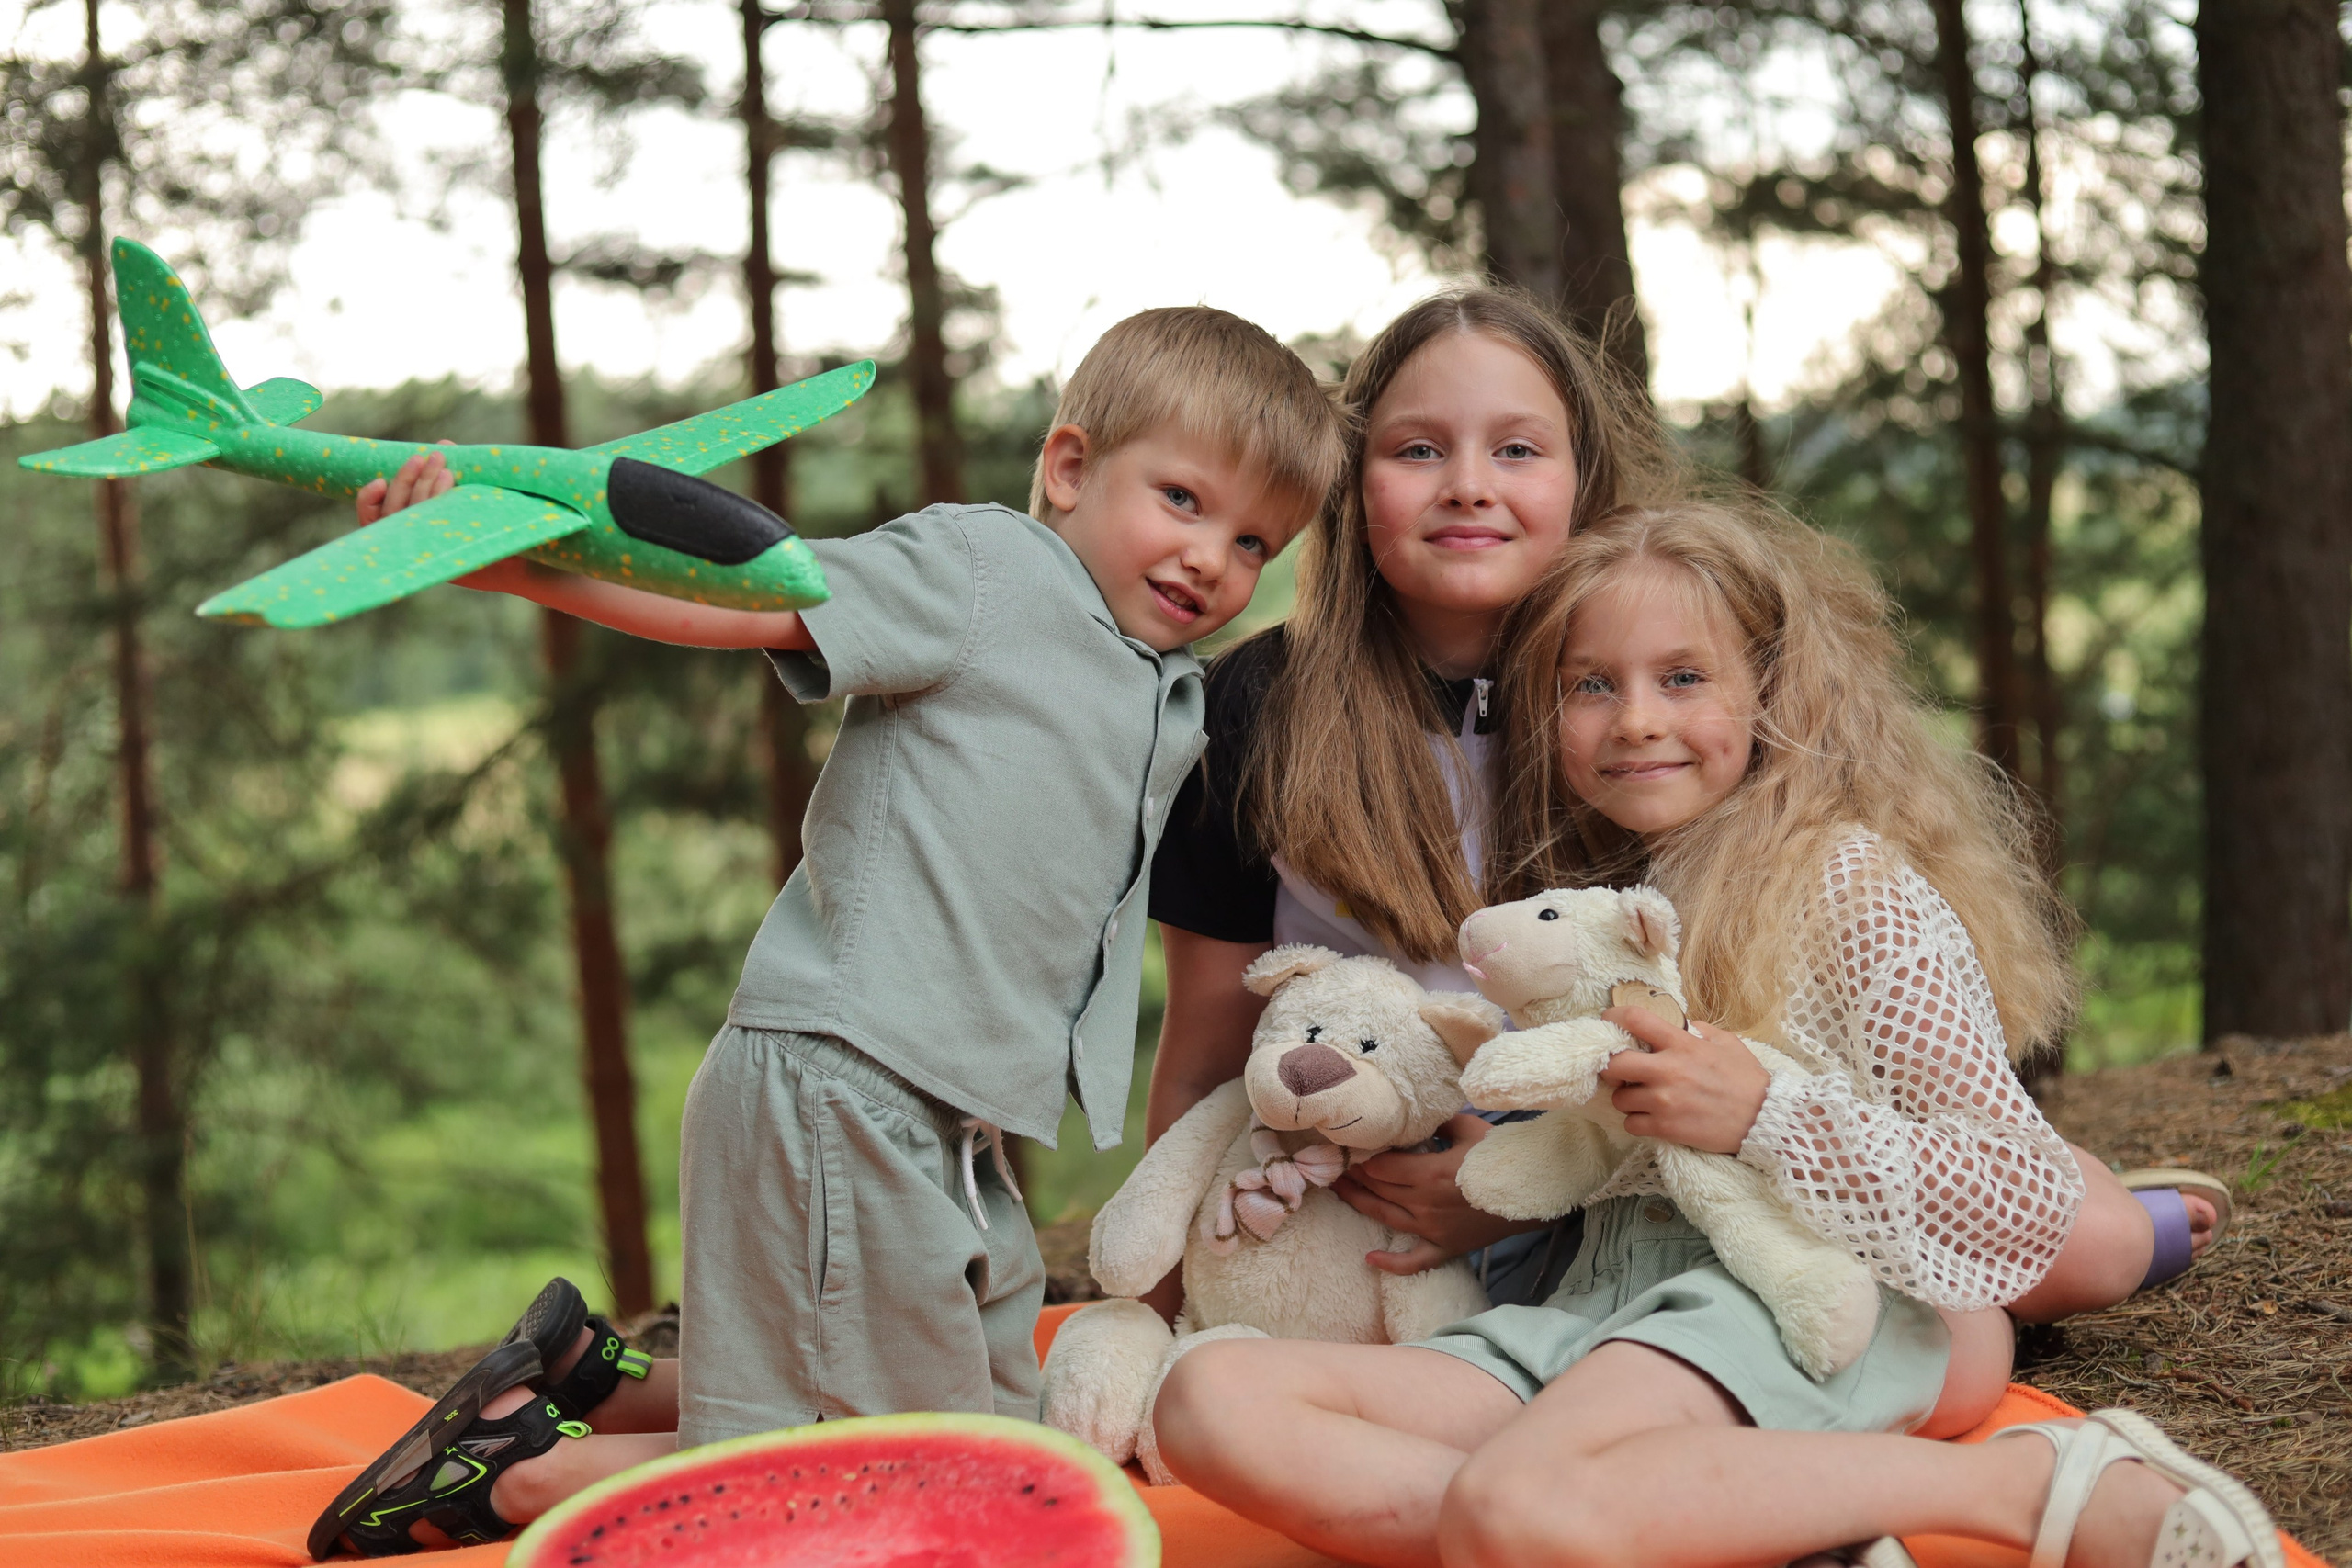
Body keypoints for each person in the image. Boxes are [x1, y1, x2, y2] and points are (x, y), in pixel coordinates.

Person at [308, 306, 1348, 1558]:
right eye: (1181, 499)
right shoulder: (989, 573)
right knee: (880, 1455)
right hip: (842, 1079)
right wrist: (503, 564)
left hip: (952, 1119)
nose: (1210, 560)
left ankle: (588, 1374)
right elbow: (746, 600)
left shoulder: (1155, 675)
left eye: (1252, 541)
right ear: (1071, 467)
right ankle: (524, 1468)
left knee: (1007, 1418)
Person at [1148, 500, 2283, 1568]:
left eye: (1682, 677)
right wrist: (1494, 1181)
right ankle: (1736, 1521)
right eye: (1592, 685)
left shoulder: (1845, 882)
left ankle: (2026, 1486)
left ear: (1772, 691)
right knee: (1208, 1399)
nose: (1636, 718)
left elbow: (2019, 1191)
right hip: (1600, 1304)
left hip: (1798, 1299)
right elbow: (1602, 1146)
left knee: (1517, 1508)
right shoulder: (1594, 898)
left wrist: (1764, 1114)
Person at [1145, 287, 2222, 1326]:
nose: (1468, 484)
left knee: (2085, 1244)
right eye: (1417, 448)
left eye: (1516, 449)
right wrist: (1158, 1301)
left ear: (1582, 475)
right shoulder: (1259, 704)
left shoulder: (1634, 684)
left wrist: (1529, 1174)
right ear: (1351, 480)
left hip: (1624, 1133)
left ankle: (2131, 1219)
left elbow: (1740, 973)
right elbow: (1204, 1044)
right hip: (1376, 1156)